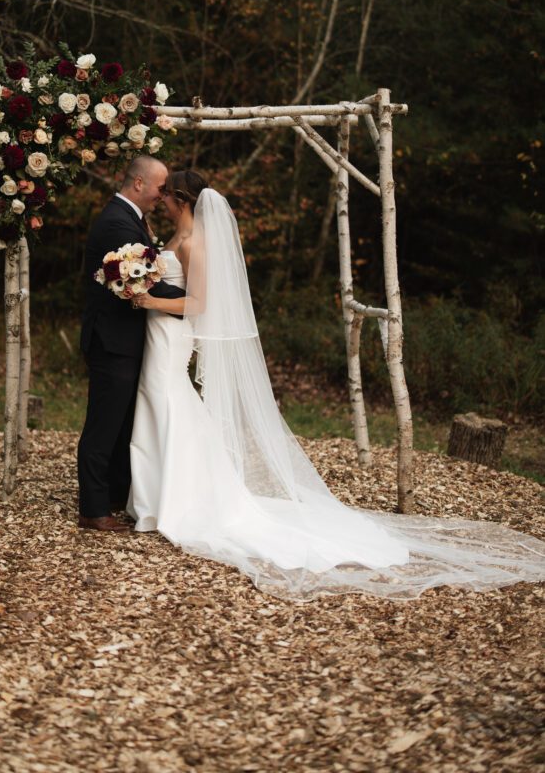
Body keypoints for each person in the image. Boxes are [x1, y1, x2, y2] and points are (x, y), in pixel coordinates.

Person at [126, 170, 545, 601]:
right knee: (162, 402)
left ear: (182, 200)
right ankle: (160, 495)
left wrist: (149, 299)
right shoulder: (174, 237)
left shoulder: (195, 243)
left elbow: (200, 303)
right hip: (159, 332)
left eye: (167, 196)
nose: (162, 201)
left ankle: (177, 500)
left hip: (171, 333)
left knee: (168, 399)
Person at [77, 156, 184, 532]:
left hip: (124, 338)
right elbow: (145, 282)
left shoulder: (130, 219)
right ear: (139, 183)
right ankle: (93, 509)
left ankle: (114, 495)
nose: (163, 195)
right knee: (104, 425)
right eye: (160, 188)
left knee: (122, 423)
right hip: (112, 340)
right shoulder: (118, 223)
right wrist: (194, 301)